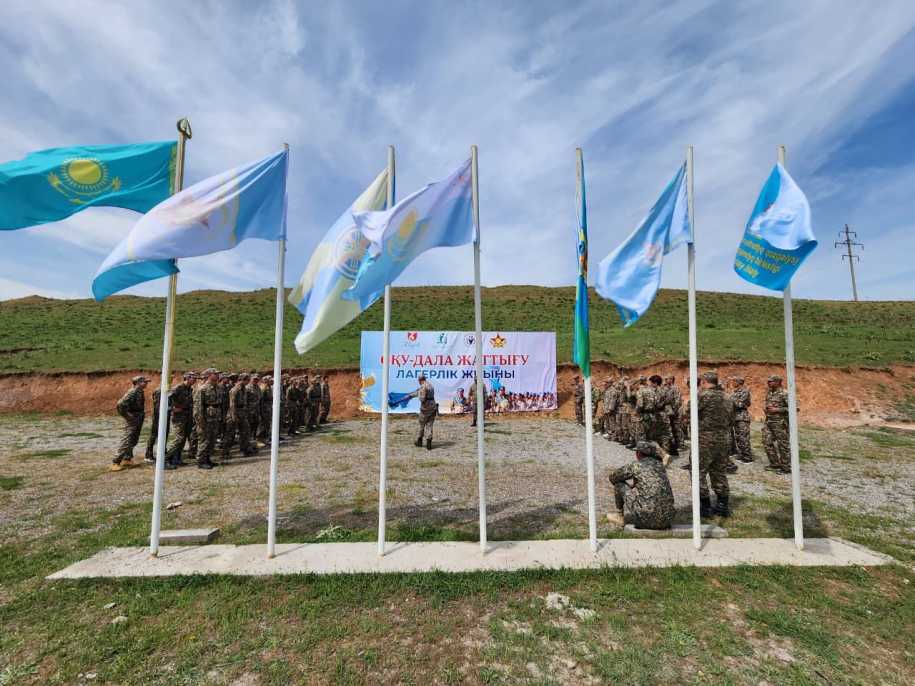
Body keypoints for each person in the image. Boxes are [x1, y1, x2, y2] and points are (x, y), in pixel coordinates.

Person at [688, 371, 734, 517]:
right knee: (719, 471)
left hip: (705, 439)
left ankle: (705, 506)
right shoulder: (727, 397)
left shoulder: (702, 396)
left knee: (698, 471)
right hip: (724, 438)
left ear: (703, 381)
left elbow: (687, 411)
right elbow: (732, 418)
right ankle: (722, 505)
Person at [606, 441, 675, 530]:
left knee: (619, 485)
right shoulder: (660, 465)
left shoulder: (636, 465)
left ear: (638, 454)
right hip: (667, 519)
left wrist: (630, 483)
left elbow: (613, 477)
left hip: (646, 520)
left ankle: (619, 516)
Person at [112, 375, 148, 471]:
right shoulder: (133, 392)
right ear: (138, 383)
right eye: (144, 382)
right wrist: (127, 416)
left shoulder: (140, 391)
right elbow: (120, 404)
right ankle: (116, 462)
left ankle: (126, 458)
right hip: (133, 419)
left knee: (133, 439)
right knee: (127, 440)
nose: (146, 384)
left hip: (138, 418)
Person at [164, 371, 196, 469]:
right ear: (187, 378)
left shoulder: (190, 389)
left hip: (187, 416)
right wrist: (172, 408)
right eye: (193, 378)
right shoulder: (178, 388)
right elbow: (165, 399)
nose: (195, 380)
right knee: (178, 439)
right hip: (178, 418)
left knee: (183, 439)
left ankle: (177, 459)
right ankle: (165, 460)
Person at [194, 368, 222, 470]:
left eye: (218, 374)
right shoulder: (202, 389)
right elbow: (198, 407)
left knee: (212, 440)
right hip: (206, 419)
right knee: (204, 440)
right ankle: (201, 461)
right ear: (209, 375)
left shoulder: (217, 387)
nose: (217, 375)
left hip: (215, 417)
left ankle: (207, 459)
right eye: (215, 374)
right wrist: (200, 421)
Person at [763, 375, 791, 473]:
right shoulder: (769, 392)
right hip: (769, 422)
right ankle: (774, 464)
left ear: (778, 382)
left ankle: (786, 467)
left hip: (780, 423)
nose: (768, 383)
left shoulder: (785, 393)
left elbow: (795, 408)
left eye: (770, 381)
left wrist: (777, 410)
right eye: (768, 381)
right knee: (767, 442)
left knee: (782, 445)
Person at [409, 374, 437, 449]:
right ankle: (429, 443)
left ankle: (420, 441)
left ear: (420, 380)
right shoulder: (430, 385)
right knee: (429, 425)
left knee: (422, 425)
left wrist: (418, 395)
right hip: (433, 407)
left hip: (425, 409)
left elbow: (422, 399)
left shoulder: (423, 387)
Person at [731, 376, 753, 463]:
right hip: (736, 417)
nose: (733, 383)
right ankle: (742, 454)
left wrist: (730, 400)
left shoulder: (745, 391)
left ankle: (747, 457)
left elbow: (739, 404)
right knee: (738, 437)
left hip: (742, 417)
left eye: (734, 381)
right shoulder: (735, 392)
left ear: (738, 382)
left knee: (743, 437)